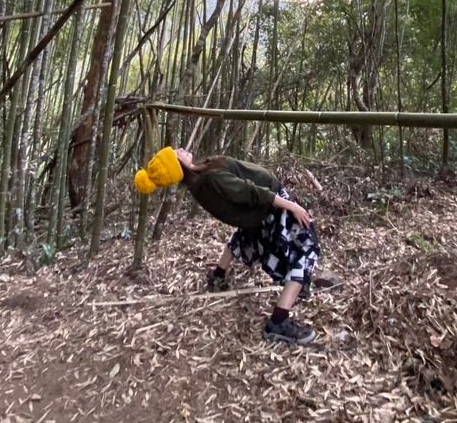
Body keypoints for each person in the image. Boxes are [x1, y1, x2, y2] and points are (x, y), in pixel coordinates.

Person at [133, 146, 320, 345]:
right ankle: (278, 322)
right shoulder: (210, 179)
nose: (181, 149)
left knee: (246, 237)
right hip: (269, 205)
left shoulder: (200, 178)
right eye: (176, 152)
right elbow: (249, 192)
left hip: (258, 212)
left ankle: (218, 276)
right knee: (307, 248)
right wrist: (293, 206)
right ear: (178, 165)